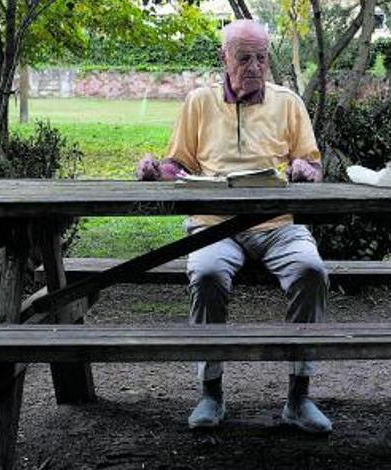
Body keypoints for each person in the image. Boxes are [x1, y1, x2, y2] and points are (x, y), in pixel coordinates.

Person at [134, 19, 332, 433]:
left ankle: (299, 396)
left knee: (312, 272)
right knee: (205, 274)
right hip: (214, 225)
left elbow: (312, 164)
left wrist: (305, 169)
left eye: (261, 58)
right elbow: (178, 165)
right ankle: (211, 393)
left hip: (277, 224)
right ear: (224, 59)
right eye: (244, 58)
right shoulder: (199, 103)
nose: (255, 67)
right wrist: (156, 168)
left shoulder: (289, 103)